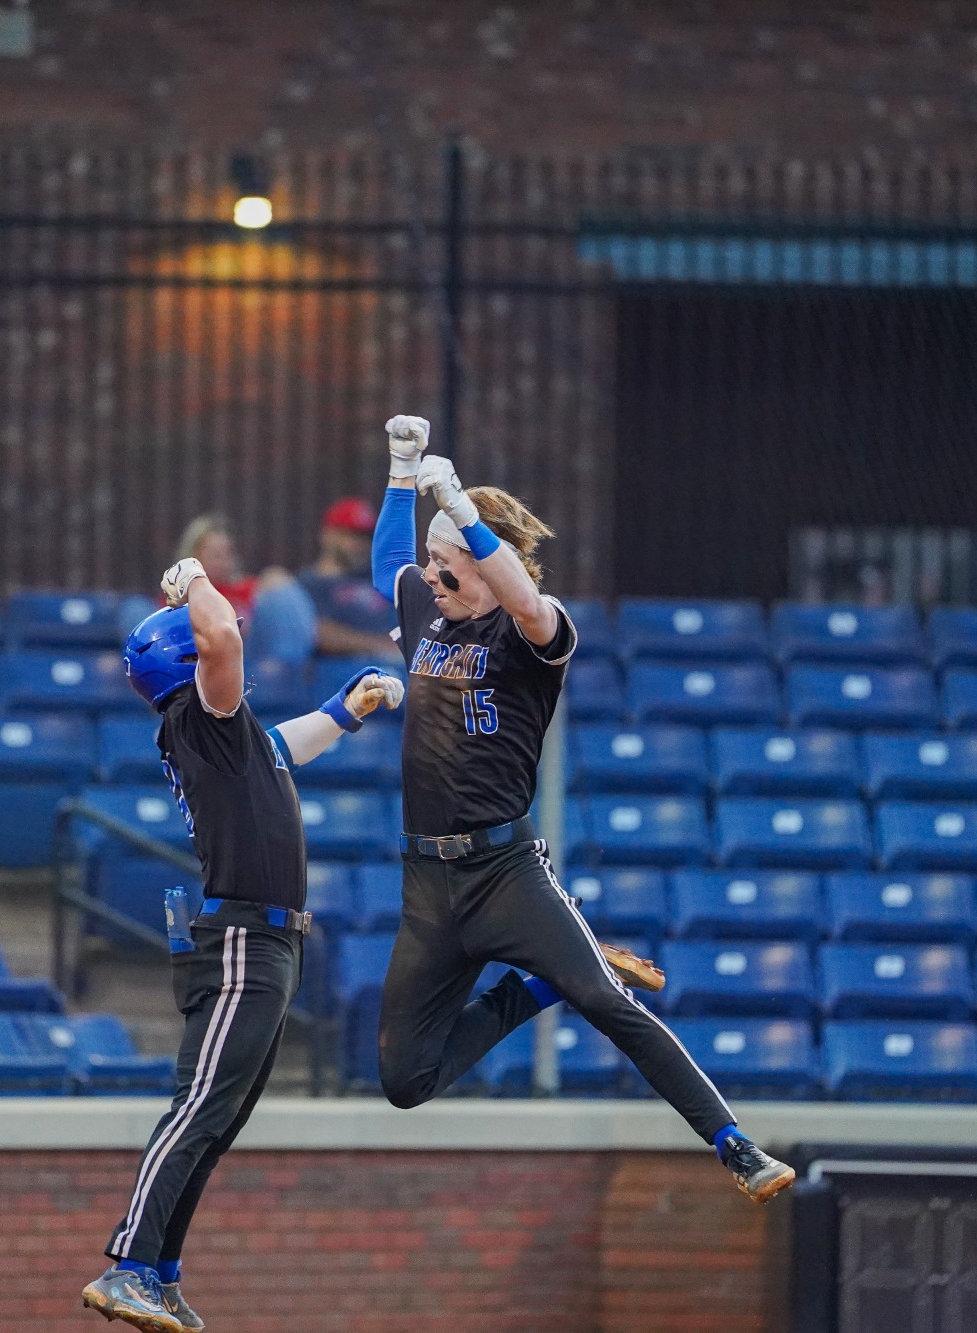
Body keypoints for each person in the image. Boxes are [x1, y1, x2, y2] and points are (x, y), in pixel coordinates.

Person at [368, 413, 796, 1205]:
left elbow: (528, 603)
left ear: (485, 565)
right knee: (405, 1078)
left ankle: (734, 1144)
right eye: (433, 564)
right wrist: (401, 472)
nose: (431, 576)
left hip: (504, 872)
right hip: (427, 881)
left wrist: (460, 508)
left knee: (604, 998)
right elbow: (387, 565)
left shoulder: (532, 629)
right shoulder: (429, 613)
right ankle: (536, 988)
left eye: (447, 565)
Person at [82, 554, 404, 1333]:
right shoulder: (198, 715)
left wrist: (345, 708)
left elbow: (283, 747)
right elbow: (222, 634)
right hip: (243, 942)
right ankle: (127, 1265)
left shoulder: (226, 735)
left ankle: (160, 1274)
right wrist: (193, 577)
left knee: (217, 1121)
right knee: (198, 1109)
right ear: (187, 662)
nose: (233, 653)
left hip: (270, 942)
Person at [298, 497, 402, 660]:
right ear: (328, 535)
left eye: (364, 537)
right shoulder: (310, 583)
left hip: (395, 668)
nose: (359, 544)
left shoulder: (380, 580)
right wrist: (379, 647)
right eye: (350, 535)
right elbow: (315, 631)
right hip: (339, 668)